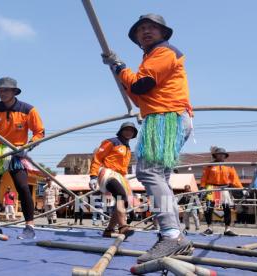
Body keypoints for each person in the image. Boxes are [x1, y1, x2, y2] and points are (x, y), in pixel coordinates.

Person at [102, 14, 193, 262]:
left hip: (166, 118)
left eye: (151, 27)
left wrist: (120, 67)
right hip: (162, 117)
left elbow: (141, 85)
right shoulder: (151, 57)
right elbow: (140, 97)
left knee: (150, 174)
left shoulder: (164, 52)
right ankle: (176, 235)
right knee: (159, 176)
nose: (145, 31)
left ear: (163, 33)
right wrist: (120, 74)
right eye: (141, 29)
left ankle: (171, 235)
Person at [0, 77, 45, 239]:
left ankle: (29, 227)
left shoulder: (28, 110)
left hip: (17, 151)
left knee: (22, 186)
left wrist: (27, 146)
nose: (2, 93)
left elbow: (39, 132)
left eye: (6, 90)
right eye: (0, 90)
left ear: (14, 91)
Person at [89, 122, 137, 238]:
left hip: (121, 177)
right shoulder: (111, 142)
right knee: (120, 195)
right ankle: (122, 227)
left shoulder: (128, 148)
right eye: (126, 129)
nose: (129, 132)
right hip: (108, 173)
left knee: (123, 201)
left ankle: (109, 230)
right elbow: (97, 158)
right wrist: (93, 176)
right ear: (121, 131)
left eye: (131, 130)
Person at [200, 147, 243, 236]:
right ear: (215, 155)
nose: (220, 155)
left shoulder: (229, 166)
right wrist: (202, 187)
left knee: (227, 208)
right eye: (218, 154)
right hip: (211, 187)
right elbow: (204, 177)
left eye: (222, 154)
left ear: (225, 156)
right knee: (208, 208)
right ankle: (209, 228)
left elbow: (234, 178)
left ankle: (227, 229)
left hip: (224, 187)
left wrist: (241, 188)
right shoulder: (209, 165)